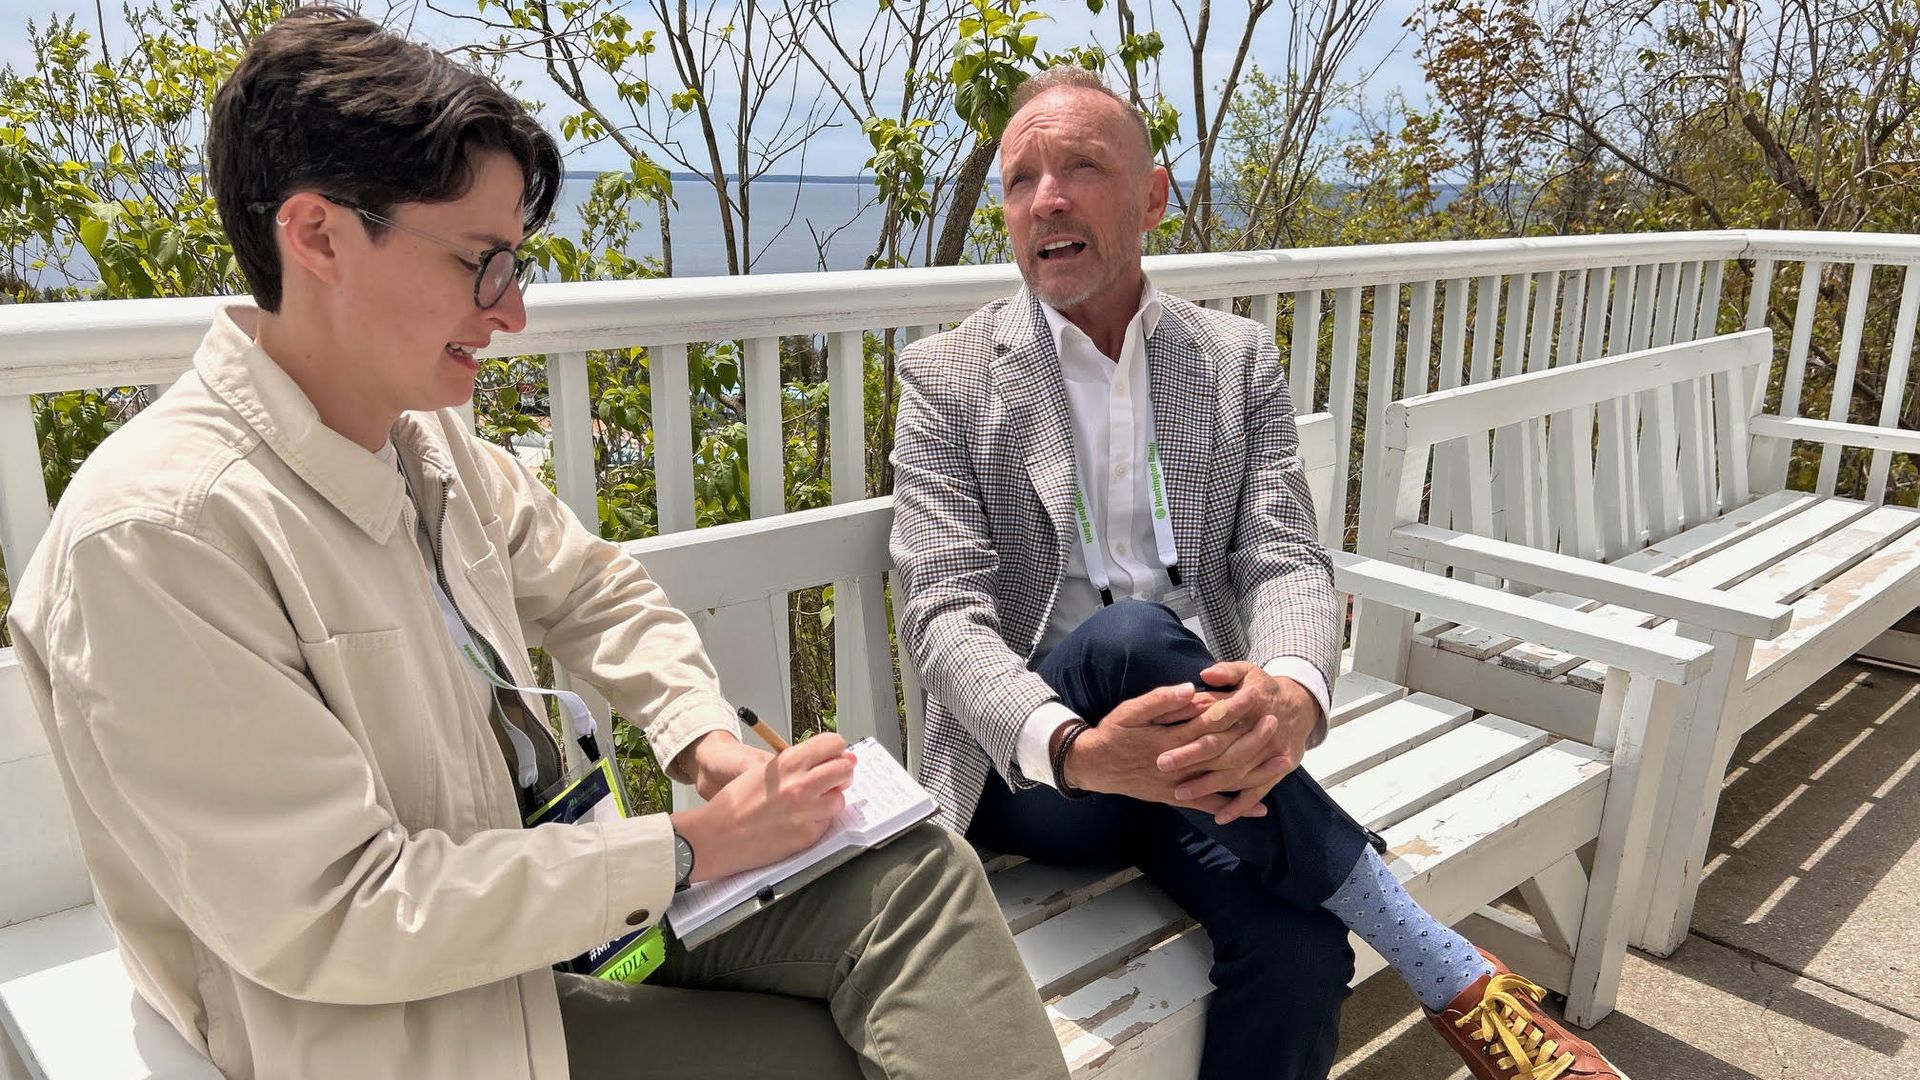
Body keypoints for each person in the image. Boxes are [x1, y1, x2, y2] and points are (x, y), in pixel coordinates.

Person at [5, 9, 1066, 1080]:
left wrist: (703, 741)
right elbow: (334, 915)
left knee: (915, 876)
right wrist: (691, 847)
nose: (512, 311)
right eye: (481, 262)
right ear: (319, 235)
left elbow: (596, 591)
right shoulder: (161, 536)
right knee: (850, 1051)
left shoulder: (420, 446)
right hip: (400, 1023)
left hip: (560, 918)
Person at [889, 65, 1623, 1080]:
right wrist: (1077, 751)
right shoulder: (948, 376)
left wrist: (1292, 695)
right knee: (1130, 637)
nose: (1044, 198)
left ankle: (1393, 938)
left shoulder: (1232, 359)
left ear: (1152, 197)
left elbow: (1283, 556)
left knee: (1301, 950)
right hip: (1042, 769)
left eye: (1081, 167)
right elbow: (943, 617)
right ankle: (1441, 962)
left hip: (1210, 761)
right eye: (1021, 180)